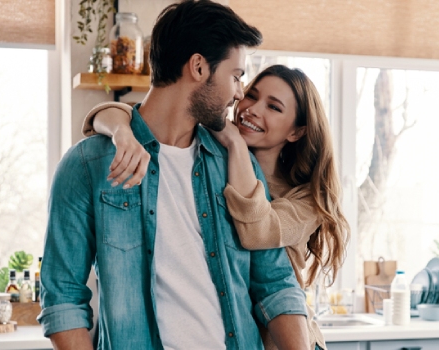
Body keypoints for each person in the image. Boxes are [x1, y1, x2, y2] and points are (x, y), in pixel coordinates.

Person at [38, 1, 310, 350]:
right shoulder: (87, 165)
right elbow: (62, 299)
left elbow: (275, 282)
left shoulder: (235, 163)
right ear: (198, 67)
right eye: (236, 75)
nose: (239, 93)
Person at [83, 65, 350, 350]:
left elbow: (257, 233)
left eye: (273, 107)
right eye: (252, 95)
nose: (253, 109)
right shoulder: (211, 162)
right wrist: (121, 130)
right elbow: (125, 114)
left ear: (297, 132)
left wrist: (235, 143)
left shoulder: (308, 199)